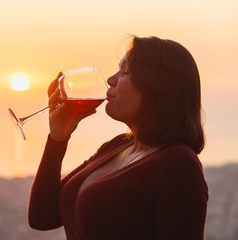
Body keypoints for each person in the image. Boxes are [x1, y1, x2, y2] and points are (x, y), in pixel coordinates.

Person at [28, 35, 208, 240]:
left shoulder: (179, 164)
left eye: (126, 72)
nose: (111, 80)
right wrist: (57, 139)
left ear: (157, 88)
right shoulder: (118, 146)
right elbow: (41, 217)